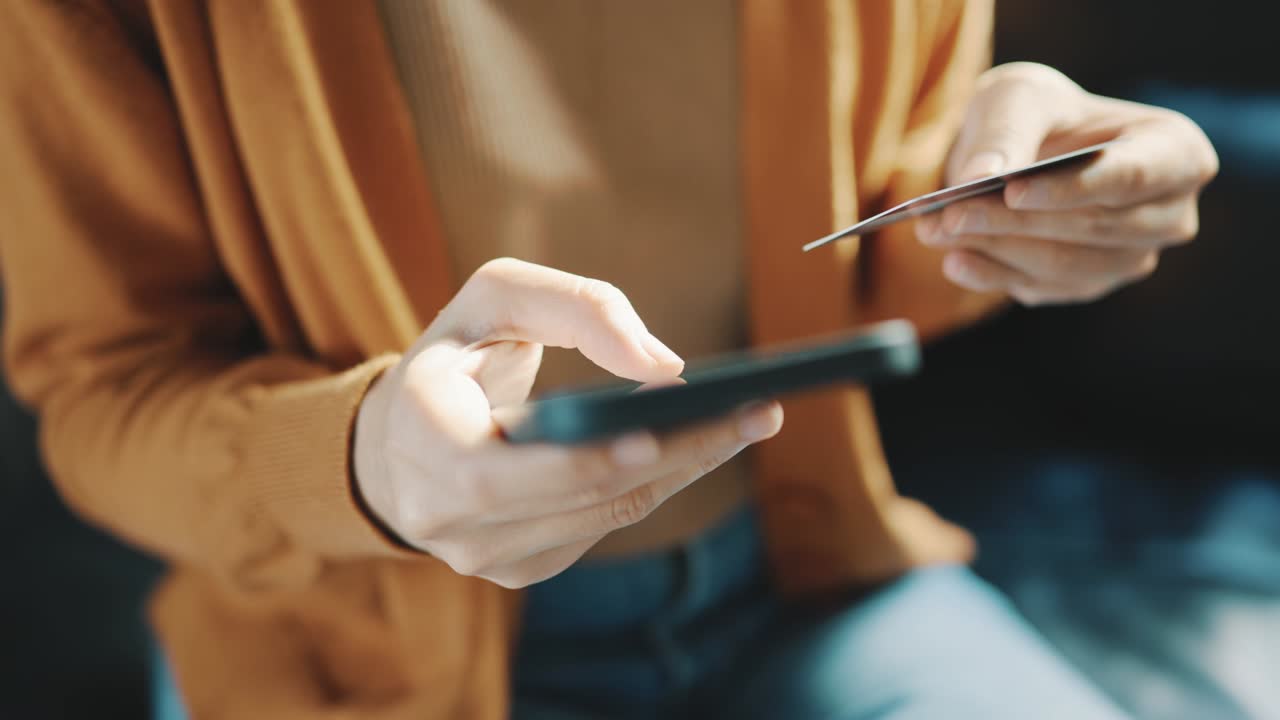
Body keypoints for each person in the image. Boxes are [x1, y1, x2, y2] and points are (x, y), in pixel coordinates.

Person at [0, 2, 1215, 718]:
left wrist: (1026, 209)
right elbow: (107, 388)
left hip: (798, 589)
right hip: (352, 673)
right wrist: (361, 464)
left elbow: (867, 239)